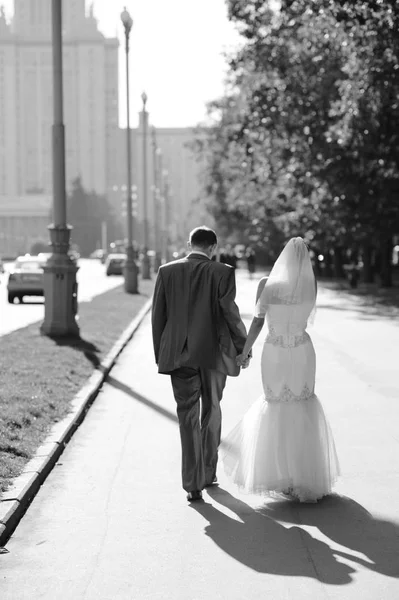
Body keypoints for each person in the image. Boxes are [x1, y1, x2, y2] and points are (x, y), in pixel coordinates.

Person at [222, 237, 340, 503]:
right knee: (302, 404)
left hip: (274, 351)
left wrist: (244, 351)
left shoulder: (267, 285)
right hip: (302, 350)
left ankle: (282, 475)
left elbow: (257, 323)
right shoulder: (310, 285)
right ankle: (305, 477)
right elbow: (307, 314)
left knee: (276, 404)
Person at [152, 226, 249, 502]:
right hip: (214, 353)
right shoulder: (222, 273)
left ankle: (192, 484)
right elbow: (231, 313)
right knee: (213, 409)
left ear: (189, 244)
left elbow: (158, 316)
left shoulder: (166, 272)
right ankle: (208, 472)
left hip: (178, 354)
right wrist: (243, 348)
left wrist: (162, 353)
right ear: (213, 247)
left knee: (187, 415)